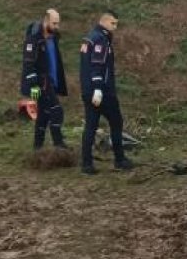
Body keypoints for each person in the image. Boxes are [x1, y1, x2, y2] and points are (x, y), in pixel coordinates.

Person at [79, 10, 133, 175]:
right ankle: (119, 160)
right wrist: (98, 89)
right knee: (116, 122)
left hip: (87, 90)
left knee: (90, 126)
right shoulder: (100, 39)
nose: (115, 27)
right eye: (112, 23)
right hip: (102, 91)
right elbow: (97, 66)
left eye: (116, 24)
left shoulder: (89, 38)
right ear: (103, 22)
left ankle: (86, 164)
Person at [20, 9, 68, 151]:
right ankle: (59, 144)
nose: (57, 26)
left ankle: (38, 148)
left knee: (44, 114)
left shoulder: (53, 38)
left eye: (58, 23)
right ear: (46, 21)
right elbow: (28, 64)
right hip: (40, 83)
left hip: (51, 82)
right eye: (54, 23)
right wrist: (33, 86)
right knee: (56, 111)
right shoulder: (34, 39)